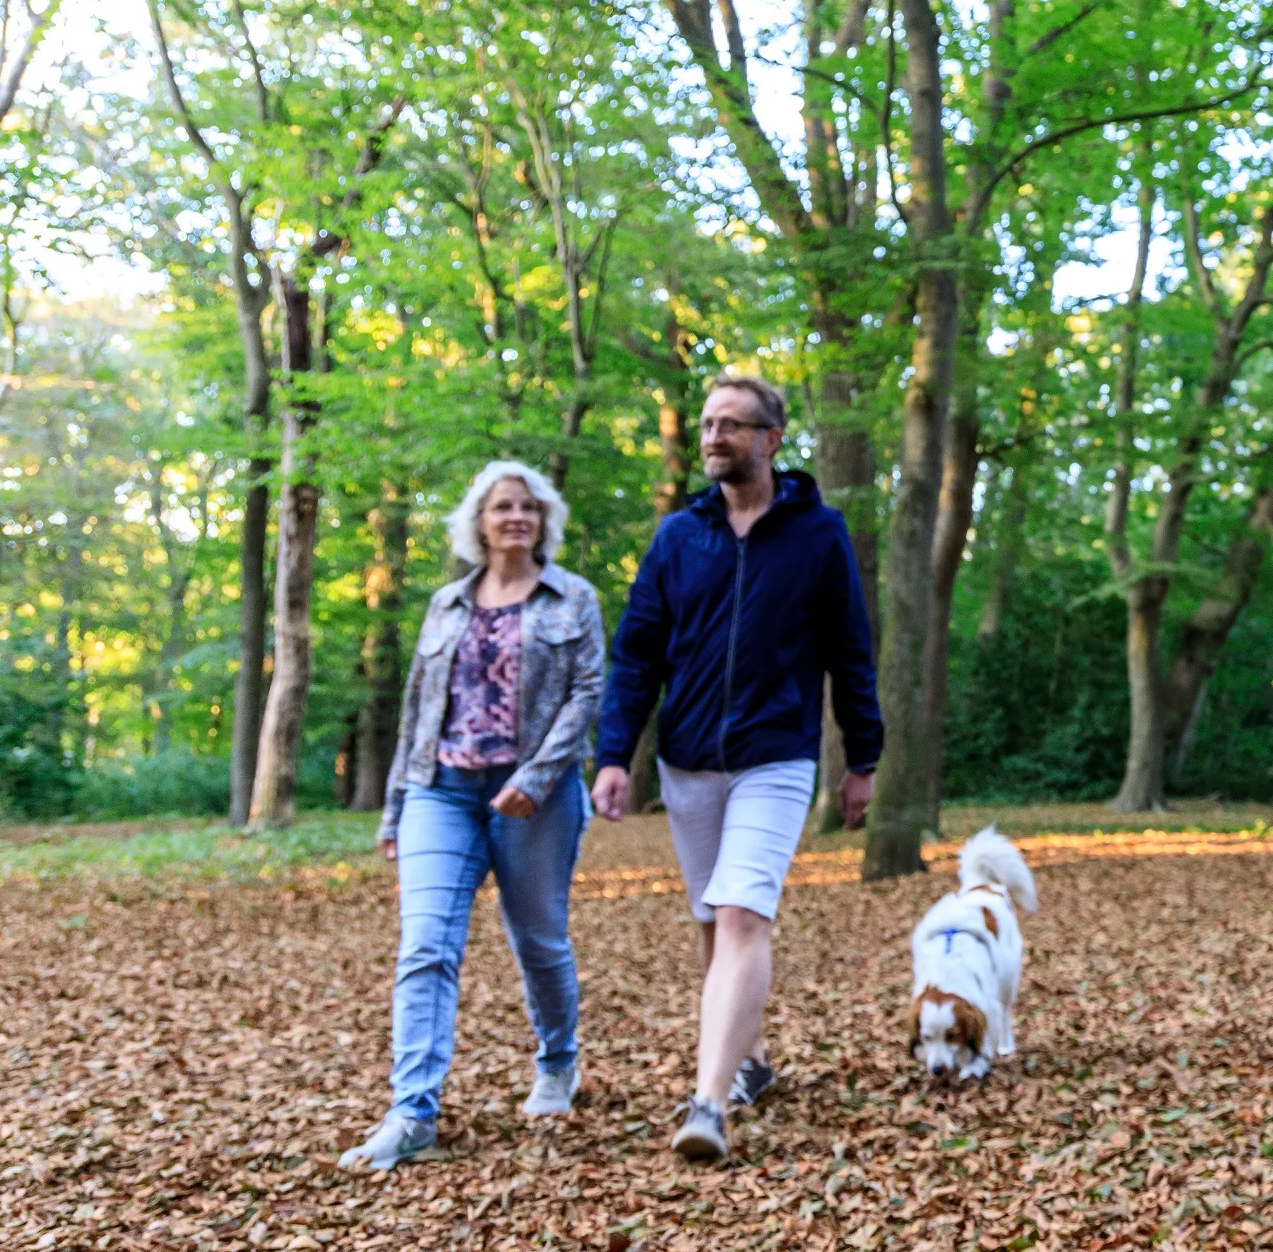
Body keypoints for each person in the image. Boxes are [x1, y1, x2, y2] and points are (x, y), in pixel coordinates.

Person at [593, 372, 882, 1165]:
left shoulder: (819, 534)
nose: (713, 437)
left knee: (742, 915)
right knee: (710, 922)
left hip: (776, 757)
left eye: (731, 426)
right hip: (688, 761)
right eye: (707, 425)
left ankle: (709, 1103)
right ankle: (748, 1062)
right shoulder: (678, 536)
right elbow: (637, 654)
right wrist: (614, 755)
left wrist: (864, 757)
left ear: (771, 440)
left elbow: (851, 651)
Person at [342, 461, 605, 1172]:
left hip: (535, 797)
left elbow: (588, 694)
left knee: (539, 942)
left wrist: (537, 776)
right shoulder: (446, 604)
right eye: (501, 507)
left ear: (543, 519)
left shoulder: (572, 597)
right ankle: (412, 1114)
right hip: (441, 790)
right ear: (479, 523)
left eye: (527, 506)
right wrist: (396, 808)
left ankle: (558, 1063)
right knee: (425, 946)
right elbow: (416, 711)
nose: (515, 517)